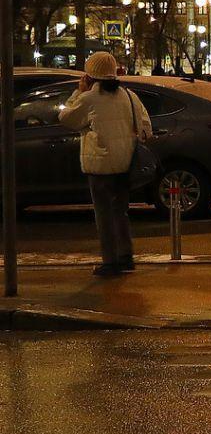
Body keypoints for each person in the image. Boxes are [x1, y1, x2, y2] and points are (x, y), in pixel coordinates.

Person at [58, 51, 153, 278]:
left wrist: (77, 92)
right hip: (126, 162)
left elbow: (67, 119)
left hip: (100, 165)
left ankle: (110, 262)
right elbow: (146, 127)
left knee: (103, 214)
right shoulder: (129, 96)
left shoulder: (88, 98)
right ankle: (126, 257)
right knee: (120, 212)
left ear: (90, 75)